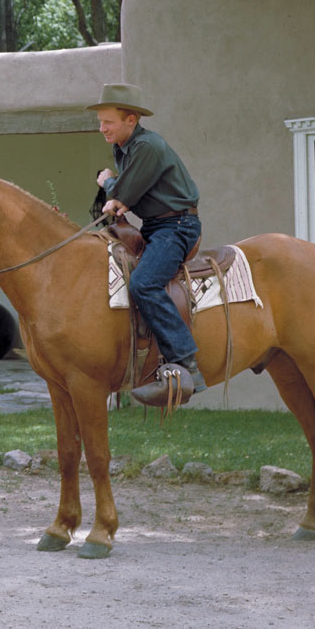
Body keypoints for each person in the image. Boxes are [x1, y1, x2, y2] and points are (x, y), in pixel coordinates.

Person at [88, 82, 207, 403]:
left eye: (108, 121)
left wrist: (109, 183)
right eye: (100, 121)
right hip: (156, 226)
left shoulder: (146, 146)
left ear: (131, 119)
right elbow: (127, 195)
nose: (102, 128)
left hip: (177, 226)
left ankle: (187, 363)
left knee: (143, 284)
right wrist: (119, 197)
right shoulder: (123, 147)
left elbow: (125, 191)